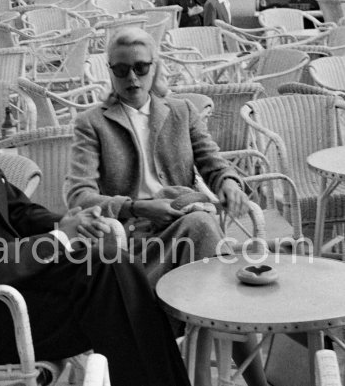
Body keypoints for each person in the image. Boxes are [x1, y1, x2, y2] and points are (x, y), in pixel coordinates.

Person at [0, 34, 191, 386]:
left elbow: (16, 210)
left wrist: (71, 222)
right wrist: (59, 239)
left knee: (108, 266)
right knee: (119, 303)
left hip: (6, 294)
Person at [64, 27, 268, 386]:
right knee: (211, 244)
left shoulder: (180, 111)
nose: (132, 77)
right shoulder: (92, 123)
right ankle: (254, 381)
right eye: (121, 69)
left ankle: (199, 375)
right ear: (109, 71)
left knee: (204, 242)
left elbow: (212, 162)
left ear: (156, 67)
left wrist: (230, 183)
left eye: (141, 68)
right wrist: (137, 207)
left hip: (184, 228)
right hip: (133, 243)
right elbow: (79, 197)